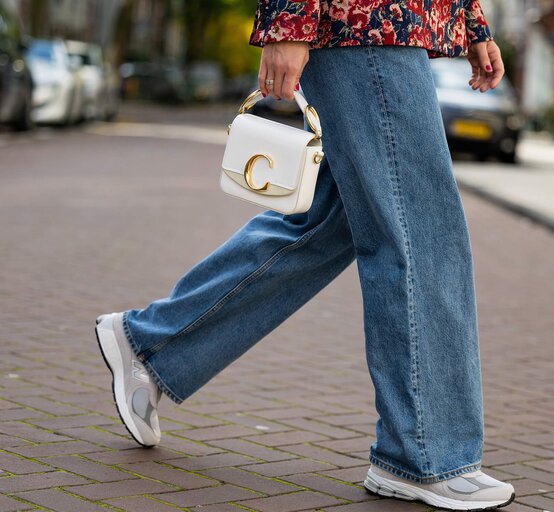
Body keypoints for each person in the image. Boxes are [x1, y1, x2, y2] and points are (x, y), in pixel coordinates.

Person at [95, 0, 516, 509]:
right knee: (423, 234)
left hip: (397, 25)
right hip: (364, 24)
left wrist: (471, 22)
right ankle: (424, 455)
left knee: (328, 226)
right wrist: (289, 21)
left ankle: (152, 344)